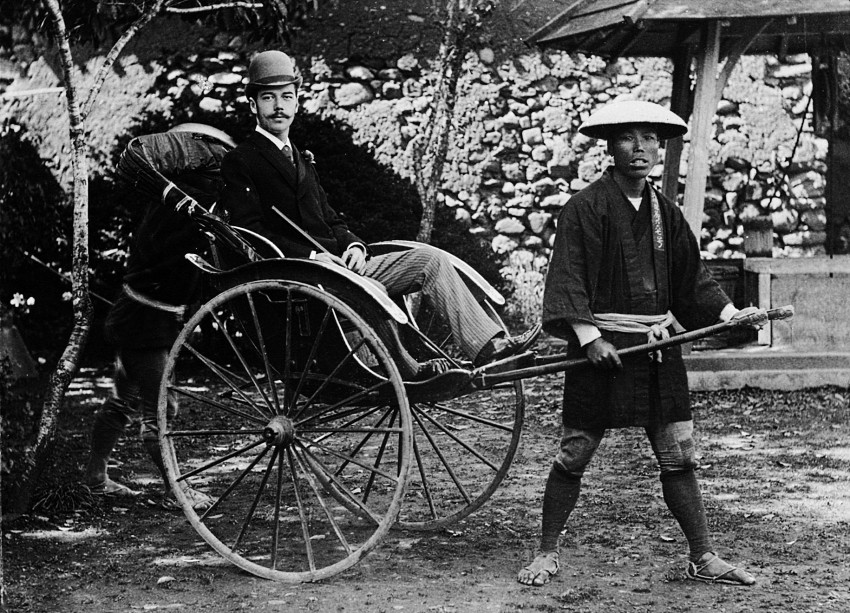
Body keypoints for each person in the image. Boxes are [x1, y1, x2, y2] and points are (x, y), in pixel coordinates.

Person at [517, 100, 765, 587]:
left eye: (649, 138)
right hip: (603, 351)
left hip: (655, 348)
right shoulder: (584, 208)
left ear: (660, 146)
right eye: (629, 138)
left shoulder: (664, 212)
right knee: (575, 451)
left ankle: (703, 555)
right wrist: (588, 337)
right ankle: (546, 551)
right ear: (610, 147)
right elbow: (567, 278)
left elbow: (692, 279)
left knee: (679, 453)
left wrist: (732, 313)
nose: (640, 148)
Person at [218, 50, 540, 378]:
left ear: (298, 102)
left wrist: (354, 245)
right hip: (302, 276)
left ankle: (487, 348)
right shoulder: (242, 160)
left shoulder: (301, 158)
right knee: (369, 290)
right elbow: (249, 232)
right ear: (252, 104)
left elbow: (331, 218)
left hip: (343, 267)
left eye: (287, 96)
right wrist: (313, 256)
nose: (278, 106)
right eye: (268, 97)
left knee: (431, 260)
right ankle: (407, 369)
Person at [82, 124, 235, 510]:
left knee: (122, 399)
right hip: (146, 322)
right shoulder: (179, 212)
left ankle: (95, 478)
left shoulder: (174, 208)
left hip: (144, 317)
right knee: (160, 410)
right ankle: (176, 490)